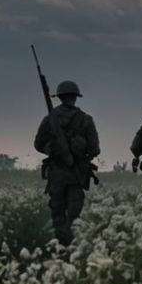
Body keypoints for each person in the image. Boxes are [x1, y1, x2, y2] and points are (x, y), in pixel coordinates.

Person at [33, 80, 100, 245]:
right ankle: (72, 245)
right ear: (75, 97)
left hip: (56, 173)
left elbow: (38, 144)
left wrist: (53, 150)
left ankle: (59, 244)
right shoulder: (86, 120)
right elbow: (95, 149)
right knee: (74, 213)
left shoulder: (49, 119)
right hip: (77, 174)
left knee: (57, 211)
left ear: (60, 97)